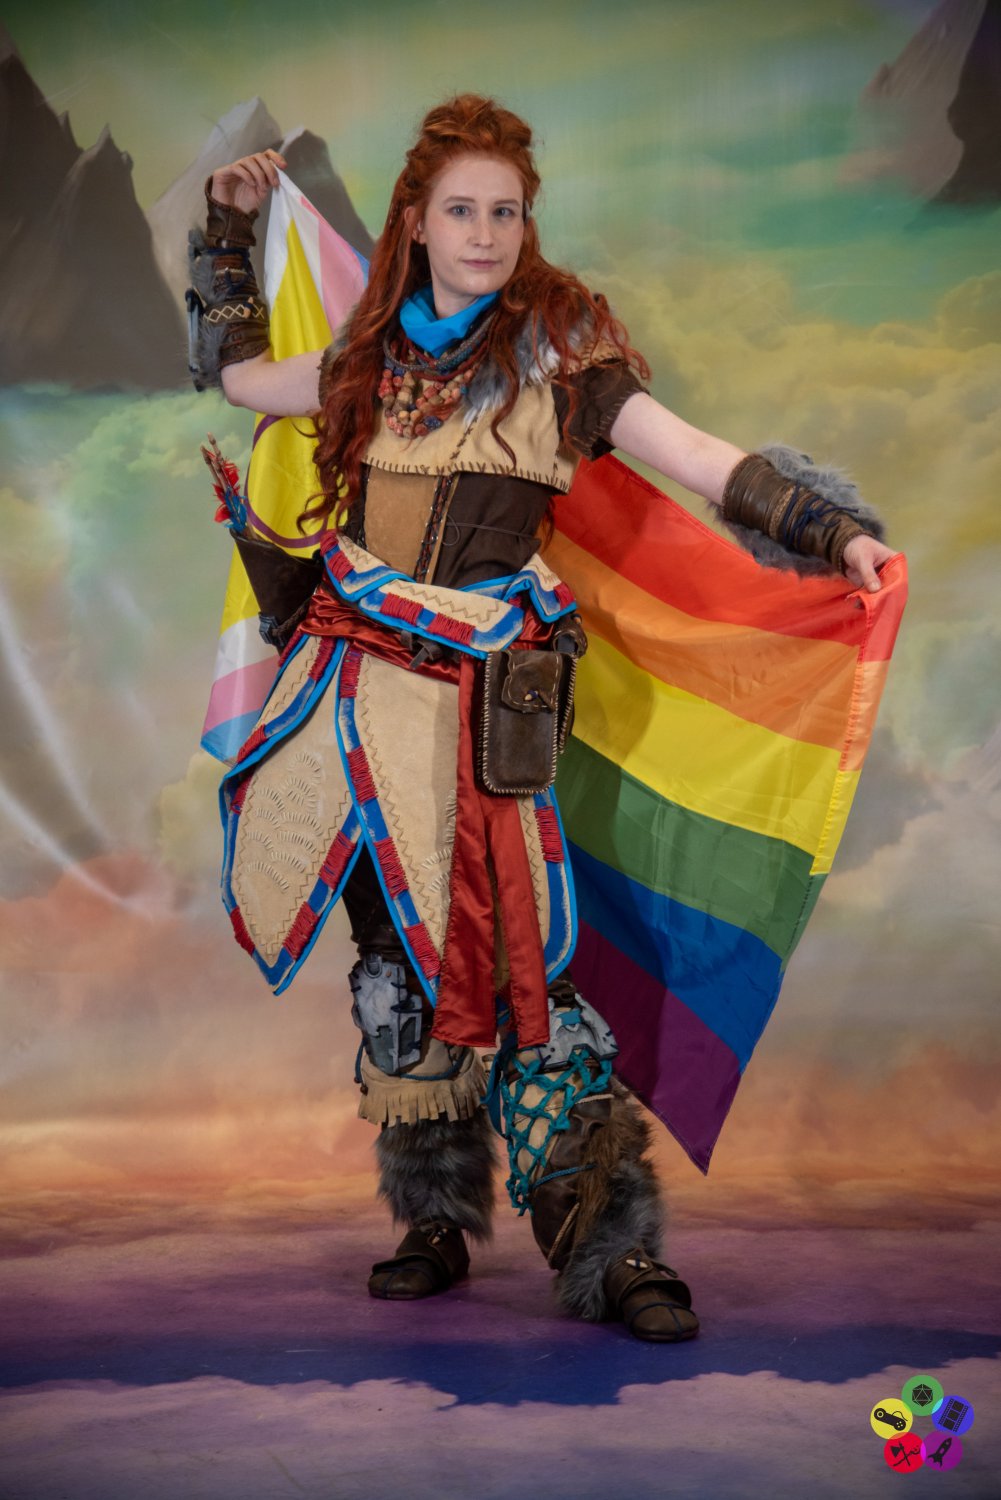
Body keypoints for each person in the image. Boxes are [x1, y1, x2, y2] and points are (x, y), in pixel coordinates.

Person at [189, 94, 893, 1343]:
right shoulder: (362, 363)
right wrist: (225, 233)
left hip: (483, 720)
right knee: (394, 977)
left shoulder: (560, 372)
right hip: (349, 711)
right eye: (460, 210)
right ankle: (431, 1216)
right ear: (415, 222)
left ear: (526, 224)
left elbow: (695, 455)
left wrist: (832, 530)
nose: (484, 232)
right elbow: (237, 373)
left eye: (505, 212)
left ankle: (607, 1248)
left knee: (526, 976)